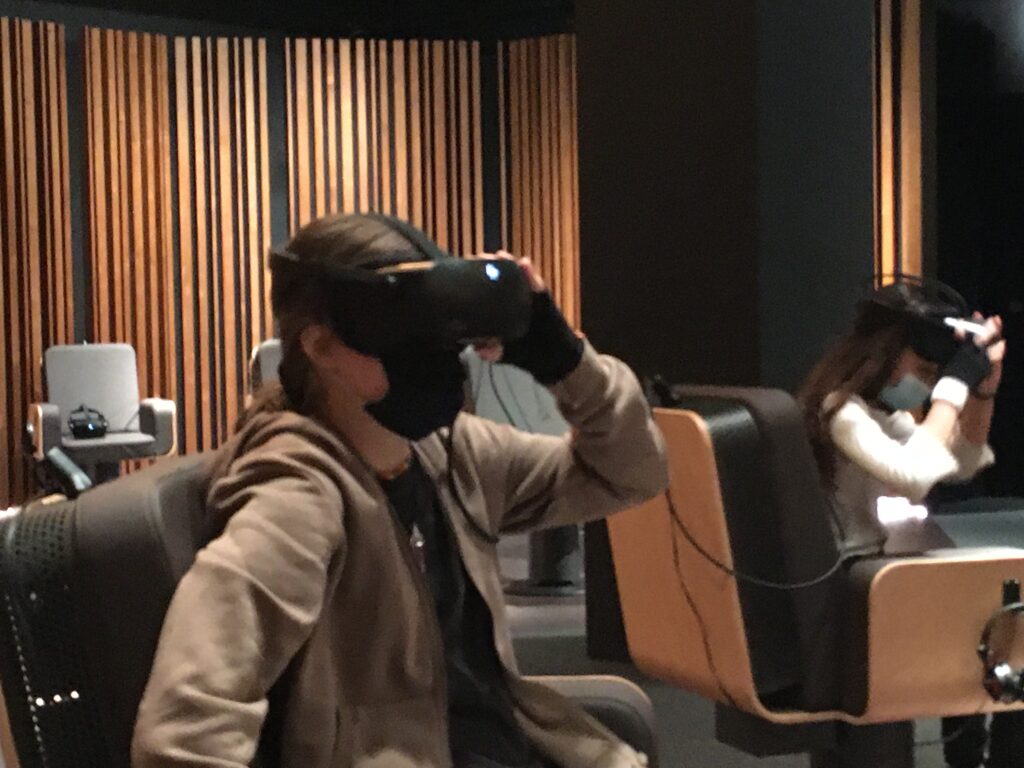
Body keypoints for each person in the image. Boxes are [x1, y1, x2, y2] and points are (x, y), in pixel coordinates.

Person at [130, 212, 668, 768]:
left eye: (440, 335)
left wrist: (566, 362)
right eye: (405, 337)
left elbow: (629, 473)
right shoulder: (296, 496)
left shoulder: (450, 455)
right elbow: (182, 734)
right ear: (321, 347)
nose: (435, 357)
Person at [798, 278, 1020, 768]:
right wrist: (952, 387)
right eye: (922, 371)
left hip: (876, 580)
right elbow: (915, 476)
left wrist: (981, 392)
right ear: (885, 353)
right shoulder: (841, 410)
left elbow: (958, 464)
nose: (925, 384)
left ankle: (975, 746)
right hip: (854, 589)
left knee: (1008, 627)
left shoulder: (880, 414)